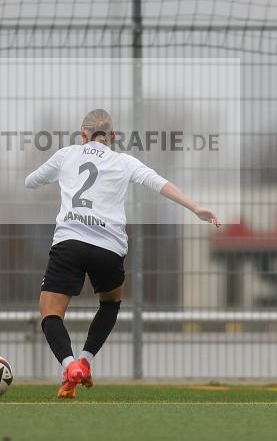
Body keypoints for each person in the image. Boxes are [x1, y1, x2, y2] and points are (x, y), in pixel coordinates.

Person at [25, 109, 221, 398]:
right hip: (109, 247)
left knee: (50, 312)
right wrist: (195, 208)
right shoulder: (124, 161)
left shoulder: (67, 154)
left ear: (83, 135)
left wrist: (48, 178)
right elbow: (159, 183)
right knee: (110, 303)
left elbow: (31, 180)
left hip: (70, 242)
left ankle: (69, 366)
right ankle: (85, 361)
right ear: (112, 137)